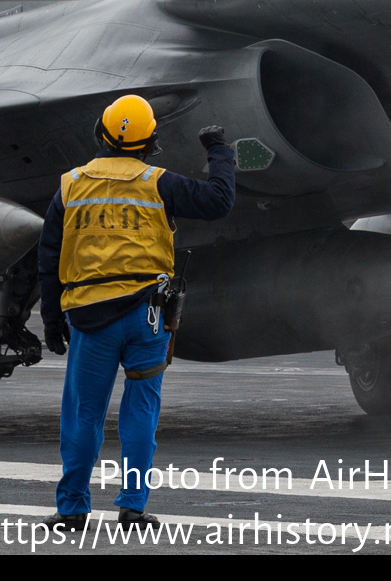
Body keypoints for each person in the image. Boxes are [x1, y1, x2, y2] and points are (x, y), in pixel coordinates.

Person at [37, 95, 235, 531]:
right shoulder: (158, 182)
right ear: (150, 143)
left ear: (101, 134)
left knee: (84, 414)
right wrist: (219, 150)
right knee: (141, 410)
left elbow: (49, 255)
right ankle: (132, 506)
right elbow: (219, 201)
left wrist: (51, 318)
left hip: (91, 318)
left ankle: (72, 509)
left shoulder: (71, 185)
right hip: (148, 318)